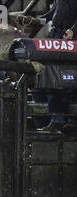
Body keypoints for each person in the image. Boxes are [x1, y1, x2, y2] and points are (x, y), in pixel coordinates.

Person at [38, 0, 77, 133]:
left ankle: (71, 120)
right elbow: (55, 10)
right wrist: (38, 21)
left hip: (71, 35)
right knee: (53, 75)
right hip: (60, 34)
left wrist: (73, 30)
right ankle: (57, 119)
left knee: (70, 75)